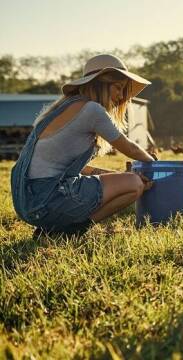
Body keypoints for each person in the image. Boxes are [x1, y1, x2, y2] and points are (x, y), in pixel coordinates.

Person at [11, 54, 157, 237]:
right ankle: (73, 229)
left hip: (27, 202)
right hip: (48, 198)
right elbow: (129, 148)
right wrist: (153, 163)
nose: (121, 97)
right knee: (134, 184)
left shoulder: (62, 110)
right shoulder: (91, 109)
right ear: (101, 84)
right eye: (118, 88)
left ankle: (52, 229)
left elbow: (77, 168)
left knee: (128, 180)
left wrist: (118, 176)